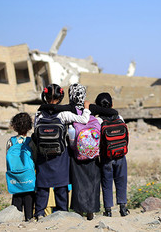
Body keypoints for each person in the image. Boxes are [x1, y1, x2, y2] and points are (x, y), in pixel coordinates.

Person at [32, 84, 91, 220]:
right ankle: (62, 211)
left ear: (45, 97)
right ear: (60, 98)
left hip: (43, 155)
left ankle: (40, 212)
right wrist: (86, 108)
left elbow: (35, 131)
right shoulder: (64, 114)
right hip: (60, 154)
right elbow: (84, 120)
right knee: (61, 184)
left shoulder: (39, 113)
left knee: (43, 184)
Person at [66, 83, 101, 220]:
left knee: (78, 183)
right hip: (92, 155)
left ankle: (79, 212)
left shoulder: (70, 112)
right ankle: (91, 212)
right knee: (92, 182)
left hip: (76, 155)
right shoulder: (91, 111)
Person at [93, 92, 129, 217]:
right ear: (112, 104)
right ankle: (123, 208)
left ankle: (108, 210)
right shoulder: (120, 118)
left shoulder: (98, 120)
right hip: (120, 155)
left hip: (106, 157)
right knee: (121, 180)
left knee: (106, 183)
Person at [6, 112, 35, 221]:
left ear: (14, 126)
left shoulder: (11, 141)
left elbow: (7, 159)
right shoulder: (31, 141)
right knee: (29, 198)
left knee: (16, 199)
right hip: (29, 176)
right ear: (29, 127)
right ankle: (29, 219)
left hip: (15, 176)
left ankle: (15, 221)